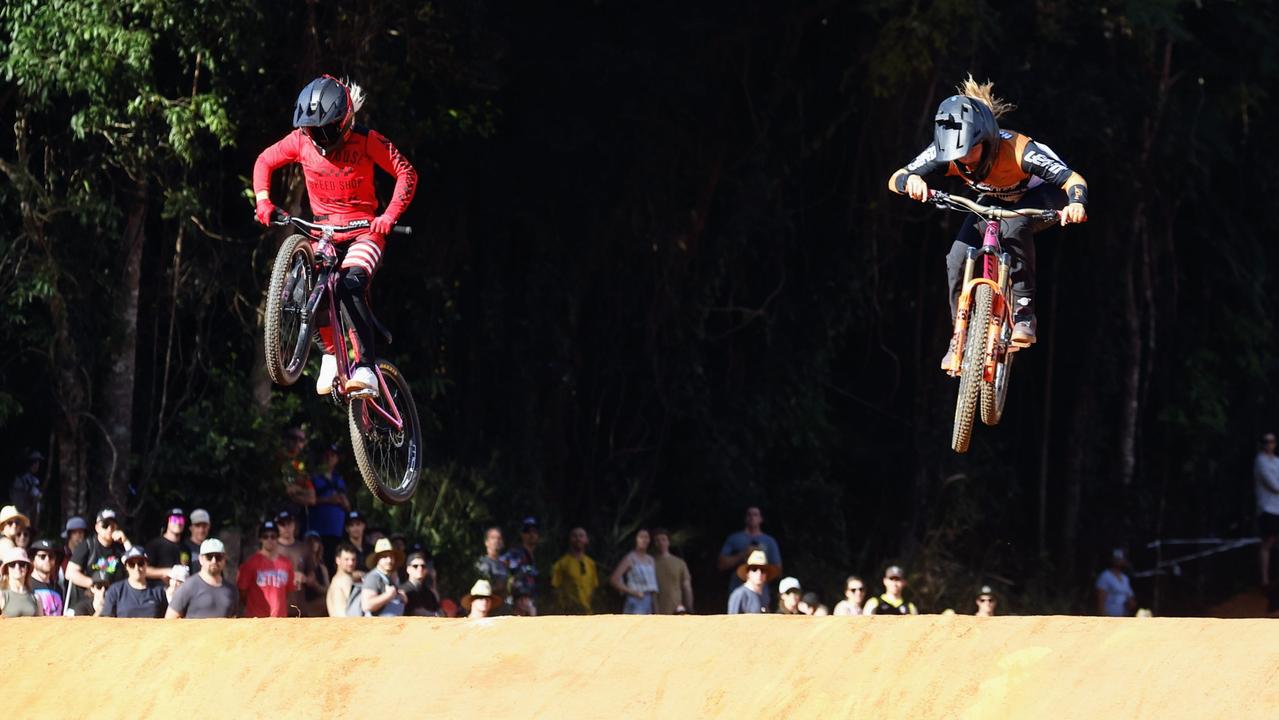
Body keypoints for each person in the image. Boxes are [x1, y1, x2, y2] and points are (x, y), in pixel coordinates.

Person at [888, 76, 1088, 357]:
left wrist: (1076, 203)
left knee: (1014, 225)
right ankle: (962, 333)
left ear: (988, 141)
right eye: (957, 156)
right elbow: (898, 176)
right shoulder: (948, 151)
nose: (965, 161)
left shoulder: (1019, 152)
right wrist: (911, 182)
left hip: (1043, 196)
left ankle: (1023, 314)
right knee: (956, 257)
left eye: (971, 150)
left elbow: (1072, 179)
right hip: (994, 199)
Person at [253, 75, 418, 398]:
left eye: (326, 130)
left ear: (344, 122)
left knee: (349, 283)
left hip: (364, 233)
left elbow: (406, 173)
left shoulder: (368, 140)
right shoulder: (299, 141)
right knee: (306, 289)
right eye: (312, 130)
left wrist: (388, 217)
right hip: (324, 232)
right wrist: (262, 199)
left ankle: (367, 367)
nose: (319, 138)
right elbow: (265, 161)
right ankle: (330, 354)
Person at [65, 508, 131, 611]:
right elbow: (70, 573)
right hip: (86, 603)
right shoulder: (87, 545)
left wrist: (126, 542)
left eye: (113, 526)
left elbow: (136, 566)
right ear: (97, 528)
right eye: (105, 525)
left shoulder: (120, 549)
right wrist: (95, 585)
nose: (109, 529)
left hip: (112, 603)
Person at [718, 507, 783, 606]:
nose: (752, 517)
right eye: (749, 514)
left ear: (761, 519)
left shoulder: (769, 541)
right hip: (737, 588)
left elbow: (778, 570)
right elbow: (721, 564)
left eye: (755, 515)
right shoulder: (734, 539)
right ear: (745, 518)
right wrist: (744, 554)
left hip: (762, 592)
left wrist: (762, 568)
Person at [167, 538, 238, 619]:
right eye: (209, 556)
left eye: (218, 557)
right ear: (200, 559)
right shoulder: (188, 586)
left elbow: (233, 622)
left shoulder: (232, 590)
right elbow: (170, 620)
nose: (214, 561)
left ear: (224, 559)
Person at [237, 520, 294, 618]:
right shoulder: (251, 563)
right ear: (260, 539)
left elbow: (288, 591)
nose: (269, 539)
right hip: (257, 619)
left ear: (277, 538)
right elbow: (242, 591)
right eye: (265, 536)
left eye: (273, 536)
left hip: (280, 620)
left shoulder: (286, 563)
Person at [310, 443, 350, 563]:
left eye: (333, 455)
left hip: (337, 530)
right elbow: (308, 500)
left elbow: (346, 503)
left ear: (337, 459)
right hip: (318, 530)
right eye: (327, 455)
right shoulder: (314, 476)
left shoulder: (339, 478)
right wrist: (329, 500)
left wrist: (345, 503)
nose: (329, 458)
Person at [100, 546, 168, 618]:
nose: (137, 568)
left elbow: (166, 619)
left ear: (146, 565)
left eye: (140, 563)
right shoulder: (115, 590)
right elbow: (107, 620)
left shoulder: (158, 591)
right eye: (132, 564)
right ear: (126, 567)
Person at [274, 511, 315, 615]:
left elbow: (312, 577)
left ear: (294, 525)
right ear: (277, 527)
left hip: (300, 607)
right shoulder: (271, 549)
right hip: (277, 609)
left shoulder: (304, 548)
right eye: (282, 524)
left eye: (289, 524)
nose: (286, 527)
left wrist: (304, 578)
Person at [610, 528, 659, 614]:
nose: (644, 540)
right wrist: (633, 592)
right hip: (635, 600)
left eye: (646, 537)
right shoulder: (630, 558)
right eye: (641, 537)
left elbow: (653, 585)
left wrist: (656, 608)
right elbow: (614, 580)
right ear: (636, 539)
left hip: (649, 600)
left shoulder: (651, 560)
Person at [550, 527, 598, 614]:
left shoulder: (591, 564)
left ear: (586, 540)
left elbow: (594, 587)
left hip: (587, 612)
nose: (578, 539)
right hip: (569, 612)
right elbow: (555, 587)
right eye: (574, 536)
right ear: (569, 540)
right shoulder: (561, 563)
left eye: (581, 536)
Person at [277, 426, 315, 531]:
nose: (297, 443)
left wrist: (297, 490)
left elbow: (312, 498)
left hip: (295, 517)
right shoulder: (274, 459)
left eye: (301, 440)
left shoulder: (299, 465)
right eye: (293, 438)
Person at [502, 516, 541, 613]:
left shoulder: (537, 556)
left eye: (535, 531)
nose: (531, 534)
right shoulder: (515, 553)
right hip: (518, 602)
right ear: (522, 534)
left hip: (532, 600)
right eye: (527, 531)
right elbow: (501, 564)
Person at [359, 538, 405, 617]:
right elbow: (366, 605)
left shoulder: (388, 577)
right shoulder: (373, 577)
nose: (389, 560)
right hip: (375, 627)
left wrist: (400, 596)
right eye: (385, 557)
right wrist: (388, 596)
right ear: (377, 559)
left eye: (391, 556)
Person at [651, 528, 693, 614]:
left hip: (676, 609)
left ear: (668, 542)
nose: (661, 543)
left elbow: (686, 586)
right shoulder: (649, 563)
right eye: (657, 540)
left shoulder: (680, 562)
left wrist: (689, 607)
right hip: (655, 609)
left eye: (663, 539)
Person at [1256, 432, 1279, 586]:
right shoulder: (1260, 461)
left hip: (1278, 507)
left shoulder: (1277, 461)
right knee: (1268, 542)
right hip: (1267, 507)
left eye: (1271, 441)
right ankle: (1264, 581)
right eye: (1266, 441)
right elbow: (1274, 486)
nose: (1269, 444)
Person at [144, 508, 190, 581]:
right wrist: (168, 572)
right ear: (167, 522)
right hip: (159, 590)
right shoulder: (154, 545)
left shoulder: (185, 548)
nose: (178, 523)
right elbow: (144, 570)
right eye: (174, 519)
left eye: (181, 519)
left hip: (181, 590)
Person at [727, 549, 778, 614]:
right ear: (748, 573)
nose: (759, 573)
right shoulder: (740, 594)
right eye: (754, 569)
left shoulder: (765, 595)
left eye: (763, 570)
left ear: (766, 574)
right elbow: (732, 621)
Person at [0, 547, 42, 616]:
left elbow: (43, 624)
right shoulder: (1, 595)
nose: (17, 567)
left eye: (22, 564)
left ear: (27, 568)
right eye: (12, 564)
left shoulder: (36, 597)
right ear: (7, 569)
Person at [1095, 549, 1136, 617]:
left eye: (1120, 558)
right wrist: (1103, 616)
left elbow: (1130, 598)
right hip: (1109, 617)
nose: (1118, 561)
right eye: (1116, 558)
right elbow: (1100, 600)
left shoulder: (1125, 578)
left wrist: (1131, 603)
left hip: (1123, 617)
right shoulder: (1105, 576)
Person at [28, 539, 63, 617]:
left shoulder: (58, 589)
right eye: (42, 556)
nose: (47, 560)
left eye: (51, 556)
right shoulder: (27, 586)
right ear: (33, 559)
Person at [475, 526, 510, 599]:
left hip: (504, 605)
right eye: (493, 538)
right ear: (486, 542)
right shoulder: (482, 562)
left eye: (499, 538)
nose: (497, 540)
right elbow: (483, 588)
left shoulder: (505, 563)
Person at [326, 542, 360, 617]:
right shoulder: (344, 579)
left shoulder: (335, 580)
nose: (351, 563)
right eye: (346, 559)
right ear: (338, 560)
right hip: (346, 624)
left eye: (353, 559)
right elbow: (359, 604)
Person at [402, 551, 441, 616]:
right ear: (408, 569)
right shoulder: (403, 591)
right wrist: (434, 615)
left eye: (423, 566)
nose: (420, 569)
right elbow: (415, 612)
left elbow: (439, 611)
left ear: (426, 570)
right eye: (415, 566)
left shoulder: (429, 593)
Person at [10, 450, 43, 524]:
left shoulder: (34, 480)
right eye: (35, 463)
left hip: (32, 517)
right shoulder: (20, 480)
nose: (37, 465)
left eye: (38, 463)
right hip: (23, 516)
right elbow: (19, 502)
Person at [302, 530, 331, 616]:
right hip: (305, 605)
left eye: (316, 541)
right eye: (309, 541)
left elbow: (328, 590)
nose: (313, 543)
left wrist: (315, 585)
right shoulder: (301, 565)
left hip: (320, 604)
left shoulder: (322, 567)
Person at [184, 508, 211, 576]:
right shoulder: (183, 547)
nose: (201, 530)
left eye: (204, 526)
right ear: (190, 527)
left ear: (209, 526)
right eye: (197, 526)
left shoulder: (212, 547)